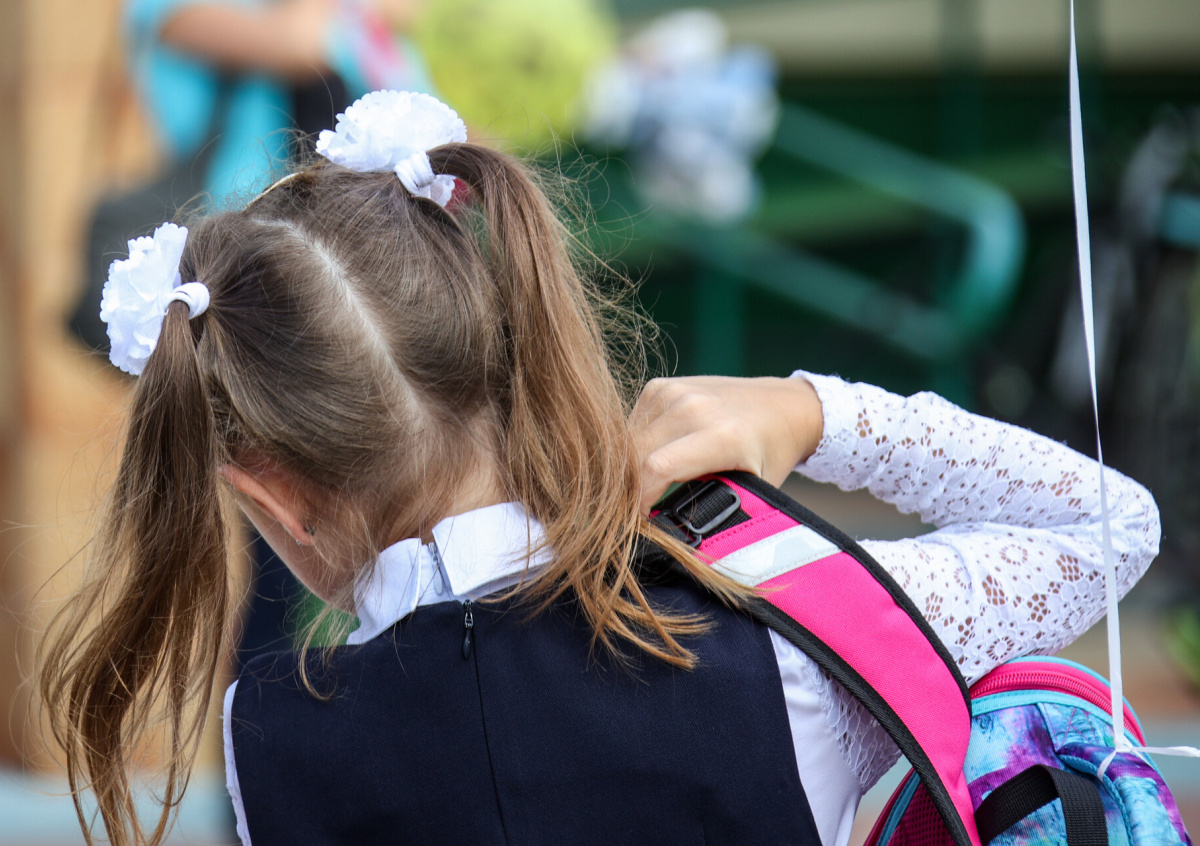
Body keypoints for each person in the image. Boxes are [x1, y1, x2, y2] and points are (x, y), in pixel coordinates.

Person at [39, 91, 1160, 846]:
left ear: (268, 493)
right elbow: (1109, 528)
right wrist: (815, 412)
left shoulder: (270, 741)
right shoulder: (784, 634)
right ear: (505, 349)